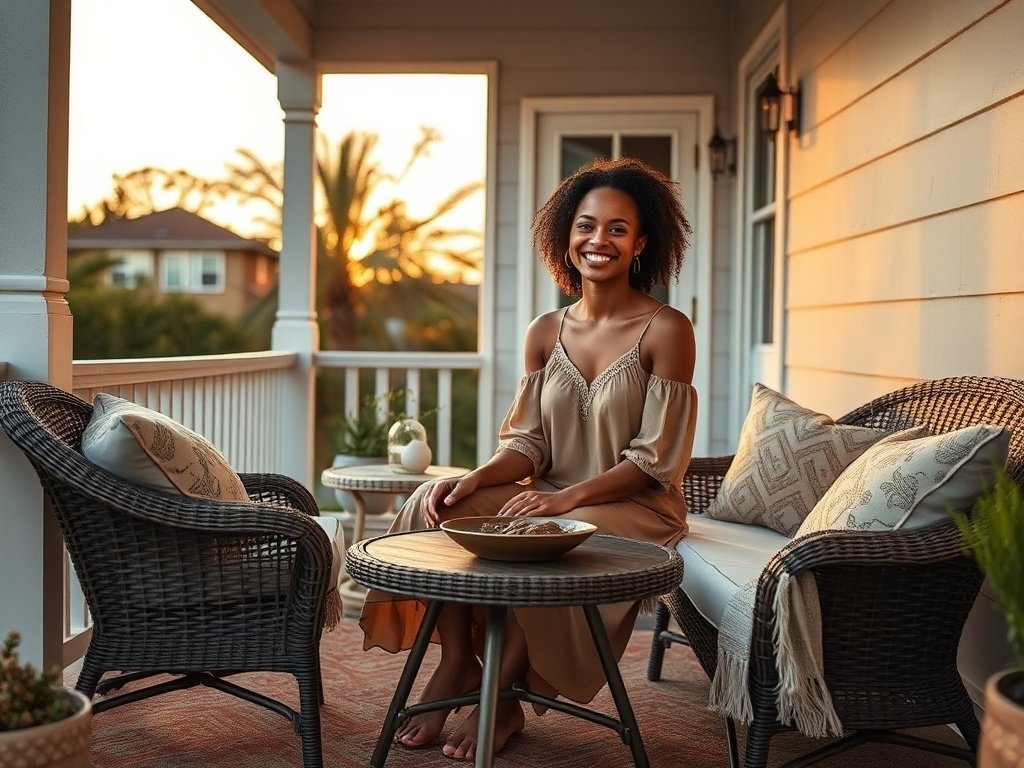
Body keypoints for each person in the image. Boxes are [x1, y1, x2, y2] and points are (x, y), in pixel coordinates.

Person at [359, 156, 698, 761]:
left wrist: (564, 498)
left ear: (641, 244)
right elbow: (528, 445)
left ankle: (503, 696)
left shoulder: (667, 329)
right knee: (437, 501)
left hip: (635, 504)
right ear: (566, 236)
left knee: (541, 532)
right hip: (549, 493)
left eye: (618, 229)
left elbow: (654, 461)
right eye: (586, 225)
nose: (599, 240)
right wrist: (475, 478)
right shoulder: (544, 331)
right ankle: (459, 662)